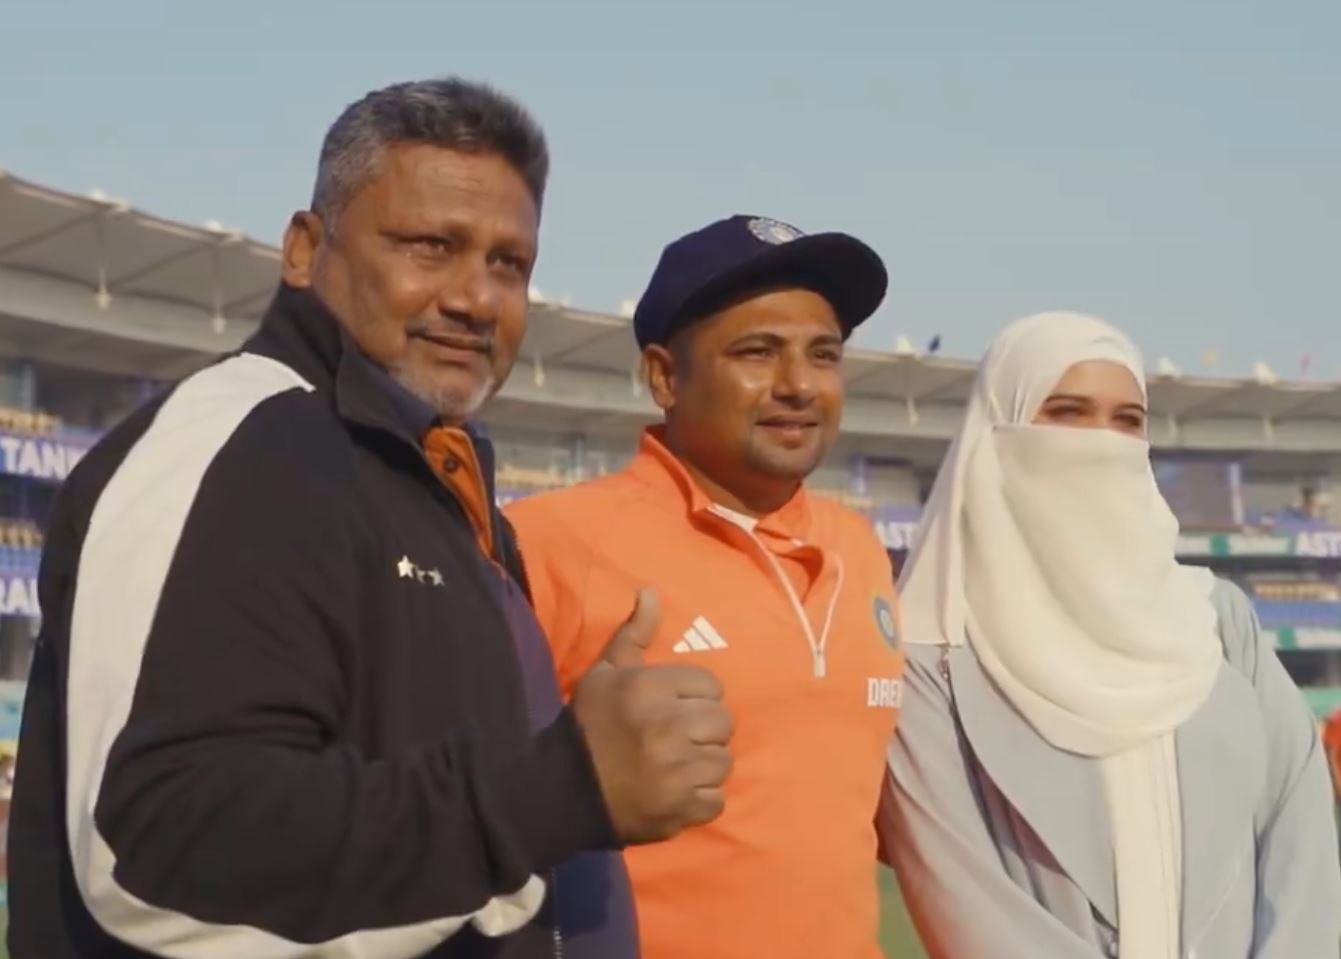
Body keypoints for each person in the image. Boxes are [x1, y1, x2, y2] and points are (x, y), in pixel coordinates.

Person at [7, 77, 733, 959]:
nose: (475, 297)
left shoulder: (427, 467)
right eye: (429, 245)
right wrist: (556, 786)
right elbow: (153, 859)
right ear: (305, 249)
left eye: (509, 263)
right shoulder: (234, 446)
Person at [879, 311, 1341, 959]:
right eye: (1066, 412)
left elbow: (1300, 839)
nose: (1102, 441)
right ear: (996, 430)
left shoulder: (1219, 618)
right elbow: (964, 898)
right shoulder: (932, 657)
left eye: (1127, 420)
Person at [506, 214, 904, 959]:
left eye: (823, 355)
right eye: (756, 352)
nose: (797, 385)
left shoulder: (861, 551)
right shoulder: (545, 544)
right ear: (663, 376)